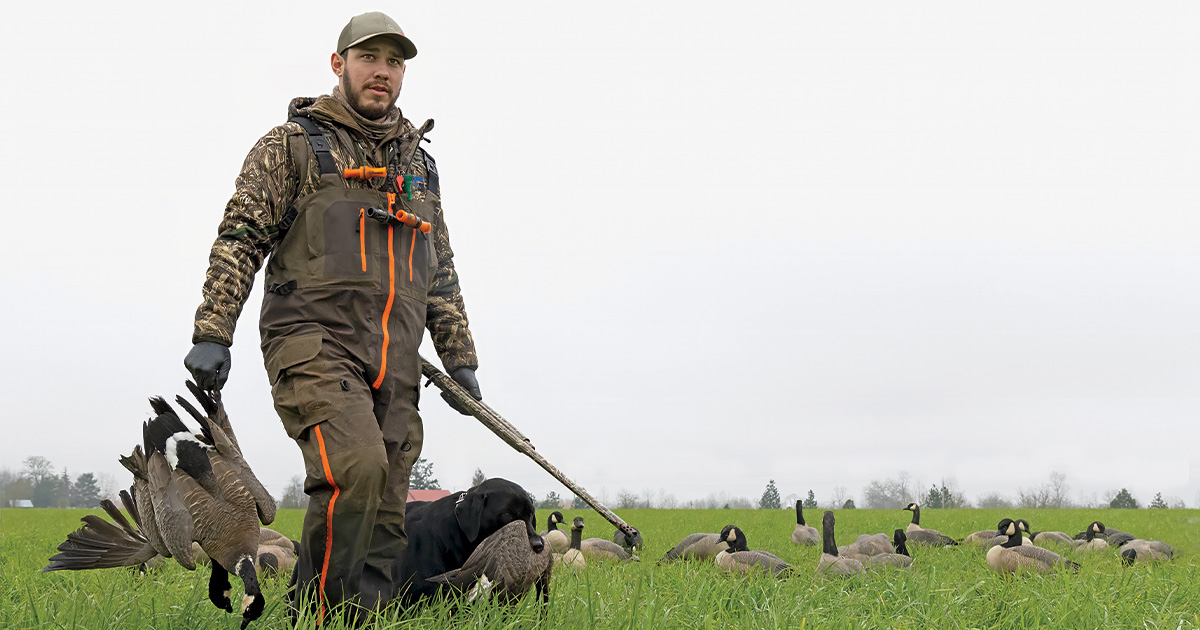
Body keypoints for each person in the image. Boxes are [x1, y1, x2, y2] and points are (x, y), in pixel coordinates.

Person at [183, 11, 482, 622]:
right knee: (356, 467)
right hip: (311, 340)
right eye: (369, 58)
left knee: (390, 495)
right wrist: (212, 332)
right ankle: (320, 613)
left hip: (394, 356)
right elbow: (241, 237)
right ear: (338, 64)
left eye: (395, 62)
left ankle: (354, 615)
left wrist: (461, 360)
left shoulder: (420, 168)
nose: (383, 73)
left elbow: (440, 268)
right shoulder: (290, 147)